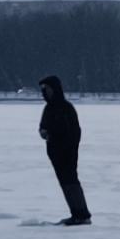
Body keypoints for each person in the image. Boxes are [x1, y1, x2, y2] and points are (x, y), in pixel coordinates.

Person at [38, 77, 91, 224]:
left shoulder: (66, 108)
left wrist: (67, 148)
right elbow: (43, 126)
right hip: (55, 153)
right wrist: (44, 132)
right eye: (43, 90)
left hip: (67, 153)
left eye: (47, 89)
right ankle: (76, 213)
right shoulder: (49, 109)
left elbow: (74, 132)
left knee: (71, 182)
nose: (45, 93)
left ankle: (82, 214)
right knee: (65, 183)